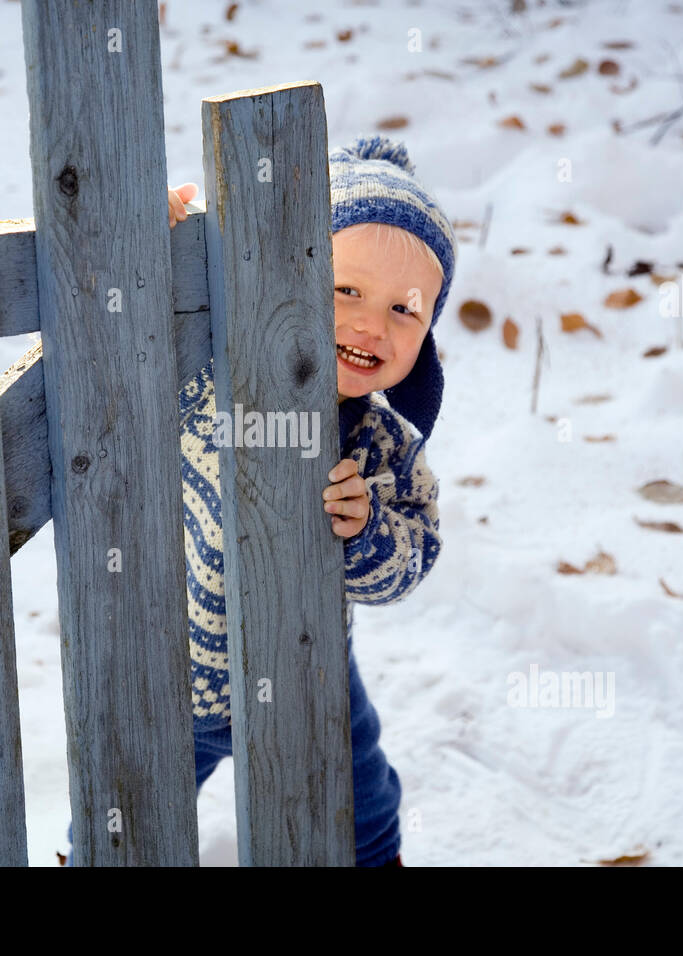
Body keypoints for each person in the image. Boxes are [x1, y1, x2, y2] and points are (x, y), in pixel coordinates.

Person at [68, 135, 456, 867]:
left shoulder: (382, 444)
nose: (373, 323)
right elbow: (125, 324)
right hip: (166, 672)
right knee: (126, 809)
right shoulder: (208, 372)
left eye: (405, 310)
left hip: (308, 666)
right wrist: (160, 240)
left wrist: (369, 533)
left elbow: (418, 548)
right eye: (347, 290)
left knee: (364, 803)